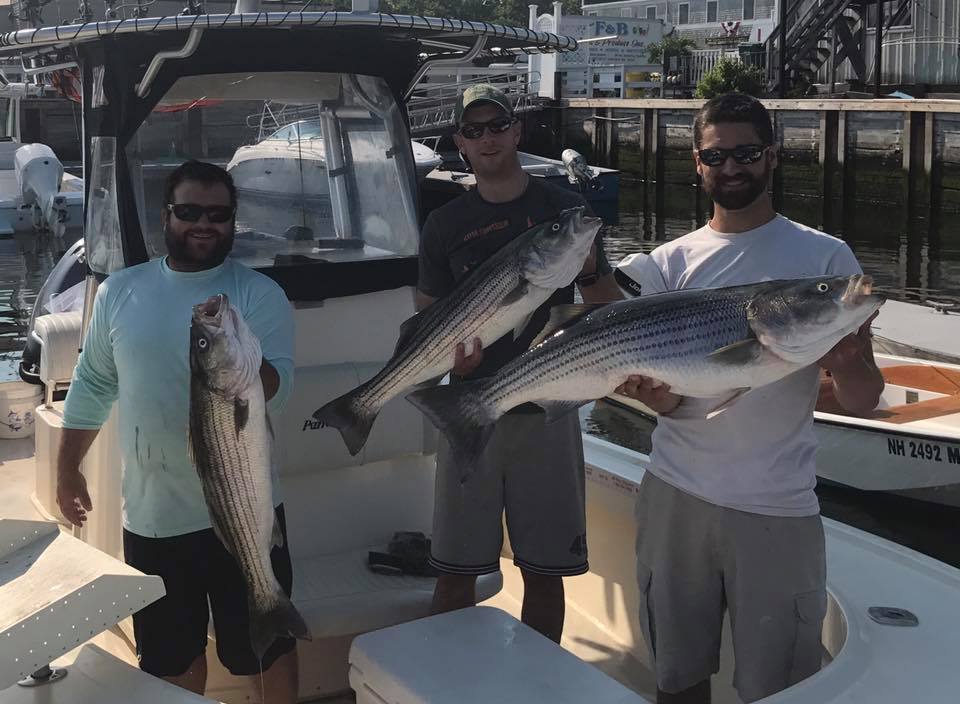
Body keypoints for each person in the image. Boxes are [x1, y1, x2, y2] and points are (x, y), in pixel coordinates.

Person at [616, 93, 884, 704]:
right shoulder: (669, 262)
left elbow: (864, 402)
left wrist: (846, 363)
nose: (731, 167)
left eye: (745, 153)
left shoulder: (825, 261)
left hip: (777, 506)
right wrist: (653, 399)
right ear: (697, 162)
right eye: (717, 155)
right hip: (674, 494)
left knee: (778, 688)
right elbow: (666, 398)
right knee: (676, 678)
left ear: (772, 156)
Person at [56, 161, 299, 700]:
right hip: (155, 517)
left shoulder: (259, 295)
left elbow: (277, 388)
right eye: (189, 212)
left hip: (250, 512)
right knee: (170, 658)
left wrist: (235, 352)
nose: (203, 224)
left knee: (267, 650)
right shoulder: (120, 292)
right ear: (166, 216)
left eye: (218, 214)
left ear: (234, 221)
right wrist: (67, 469)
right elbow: (94, 384)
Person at [416, 84, 622, 643]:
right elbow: (430, 316)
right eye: (473, 129)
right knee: (454, 572)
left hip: (548, 407)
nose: (487, 138)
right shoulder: (444, 224)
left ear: (516, 130)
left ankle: (539, 687)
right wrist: (453, 367)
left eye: (496, 125)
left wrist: (584, 274)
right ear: (460, 142)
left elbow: (603, 302)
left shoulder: (563, 212)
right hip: (471, 409)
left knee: (545, 571)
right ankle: (444, 686)